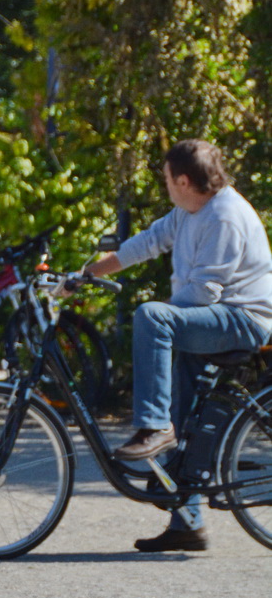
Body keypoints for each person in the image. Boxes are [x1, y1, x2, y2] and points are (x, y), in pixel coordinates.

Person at [87, 139, 272, 552]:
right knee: (186, 413)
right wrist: (86, 274)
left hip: (242, 319)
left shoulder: (224, 216)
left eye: (167, 178)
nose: (165, 184)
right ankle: (187, 522)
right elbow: (145, 243)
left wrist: (162, 320)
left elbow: (204, 293)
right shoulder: (190, 210)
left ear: (183, 180)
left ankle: (155, 428)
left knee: (153, 316)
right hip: (213, 318)